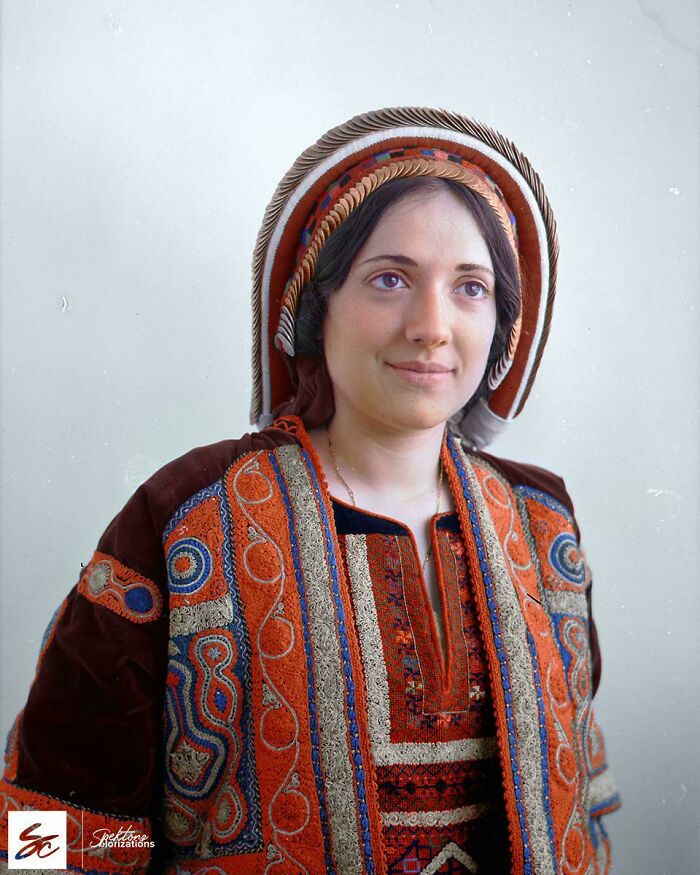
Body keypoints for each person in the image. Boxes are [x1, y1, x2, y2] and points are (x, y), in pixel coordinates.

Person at [0, 107, 620, 874]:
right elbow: (50, 836)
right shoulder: (186, 518)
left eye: (470, 287)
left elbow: (585, 810)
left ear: (503, 323)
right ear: (314, 306)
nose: (432, 325)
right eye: (389, 278)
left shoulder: (542, 525)